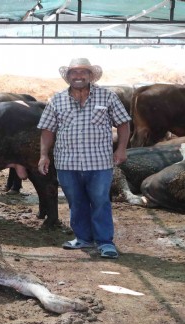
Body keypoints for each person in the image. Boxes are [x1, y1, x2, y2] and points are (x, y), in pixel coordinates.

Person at [37, 58, 131, 259]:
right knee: (75, 201)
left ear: (90, 76)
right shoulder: (57, 100)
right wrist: (44, 155)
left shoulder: (107, 97)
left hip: (99, 162)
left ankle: (105, 242)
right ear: (68, 77)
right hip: (66, 162)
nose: (78, 77)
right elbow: (47, 130)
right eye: (74, 73)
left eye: (83, 73)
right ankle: (83, 238)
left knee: (100, 201)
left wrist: (121, 149)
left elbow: (123, 124)